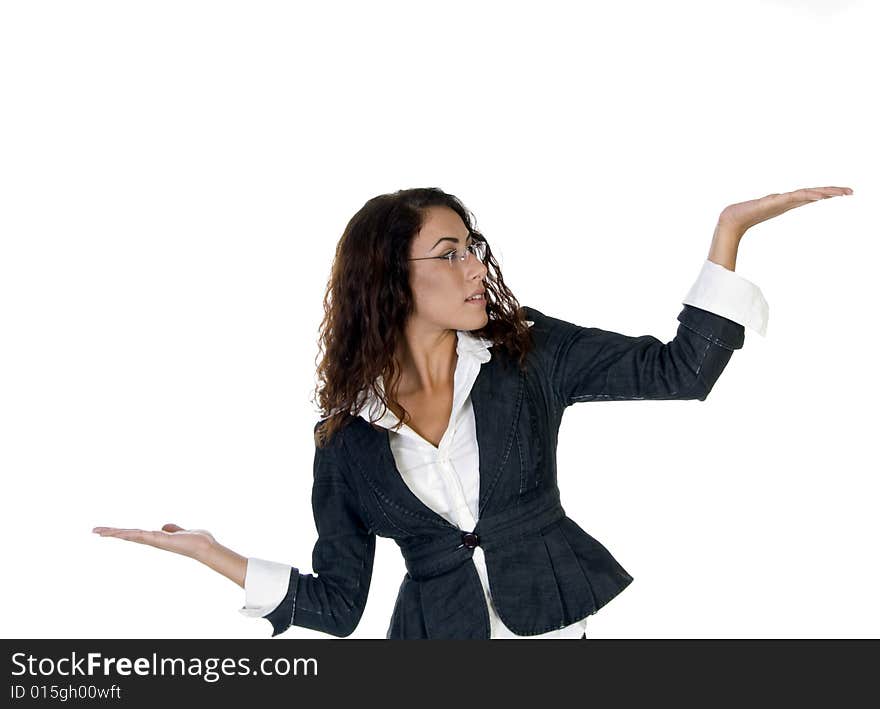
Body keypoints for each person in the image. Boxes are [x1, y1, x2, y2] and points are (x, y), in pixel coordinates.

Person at [94, 184, 853, 639]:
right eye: (451, 252)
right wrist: (211, 553)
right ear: (391, 279)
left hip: (554, 619)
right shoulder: (345, 442)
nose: (475, 268)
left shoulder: (528, 353)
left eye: (474, 248)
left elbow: (680, 371)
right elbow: (338, 601)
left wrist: (728, 233)